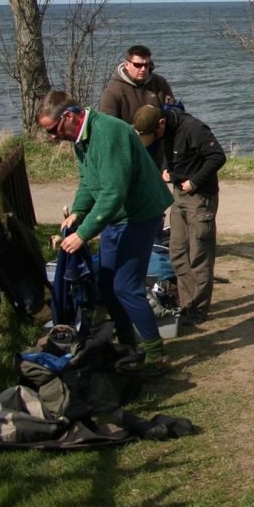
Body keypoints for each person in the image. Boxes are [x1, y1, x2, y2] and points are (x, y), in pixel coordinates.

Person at [37, 90, 175, 374]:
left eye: (52, 129)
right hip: (117, 218)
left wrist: (83, 233)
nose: (51, 137)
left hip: (139, 215)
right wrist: (77, 212)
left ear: (69, 116)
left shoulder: (108, 133)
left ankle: (156, 356)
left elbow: (113, 193)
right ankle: (128, 346)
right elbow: (89, 182)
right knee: (108, 287)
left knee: (126, 287)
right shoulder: (81, 139)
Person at [134, 104, 226, 326]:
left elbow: (217, 156)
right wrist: (166, 168)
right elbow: (167, 150)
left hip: (200, 198)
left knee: (199, 256)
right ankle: (187, 304)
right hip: (178, 196)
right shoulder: (163, 130)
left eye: (152, 135)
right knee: (177, 252)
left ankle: (198, 310)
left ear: (161, 124)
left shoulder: (193, 128)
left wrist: (194, 181)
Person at [99, 44, 175, 123]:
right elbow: (108, 125)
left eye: (146, 65)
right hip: (129, 134)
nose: (143, 69)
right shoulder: (113, 92)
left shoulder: (160, 83)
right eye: (138, 65)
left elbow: (174, 111)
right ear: (127, 65)